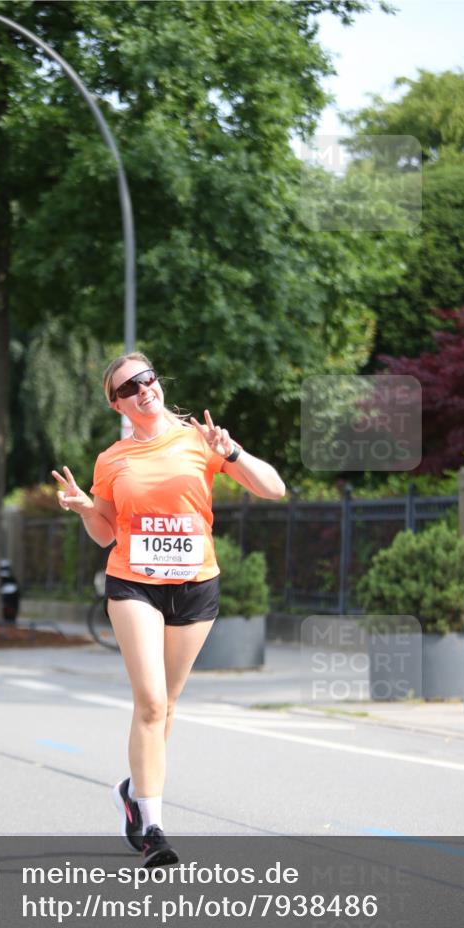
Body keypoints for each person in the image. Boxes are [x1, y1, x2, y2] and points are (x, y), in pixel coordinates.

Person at [52, 352, 285, 868]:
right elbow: (106, 532)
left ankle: (133, 792)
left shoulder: (201, 440)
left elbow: (274, 488)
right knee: (152, 702)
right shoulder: (112, 459)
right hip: (133, 584)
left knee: (168, 705)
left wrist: (235, 453)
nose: (143, 389)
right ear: (117, 403)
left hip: (195, 584)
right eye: (129, 387)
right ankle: (154, 827)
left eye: (147, 378)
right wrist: (88, 509)